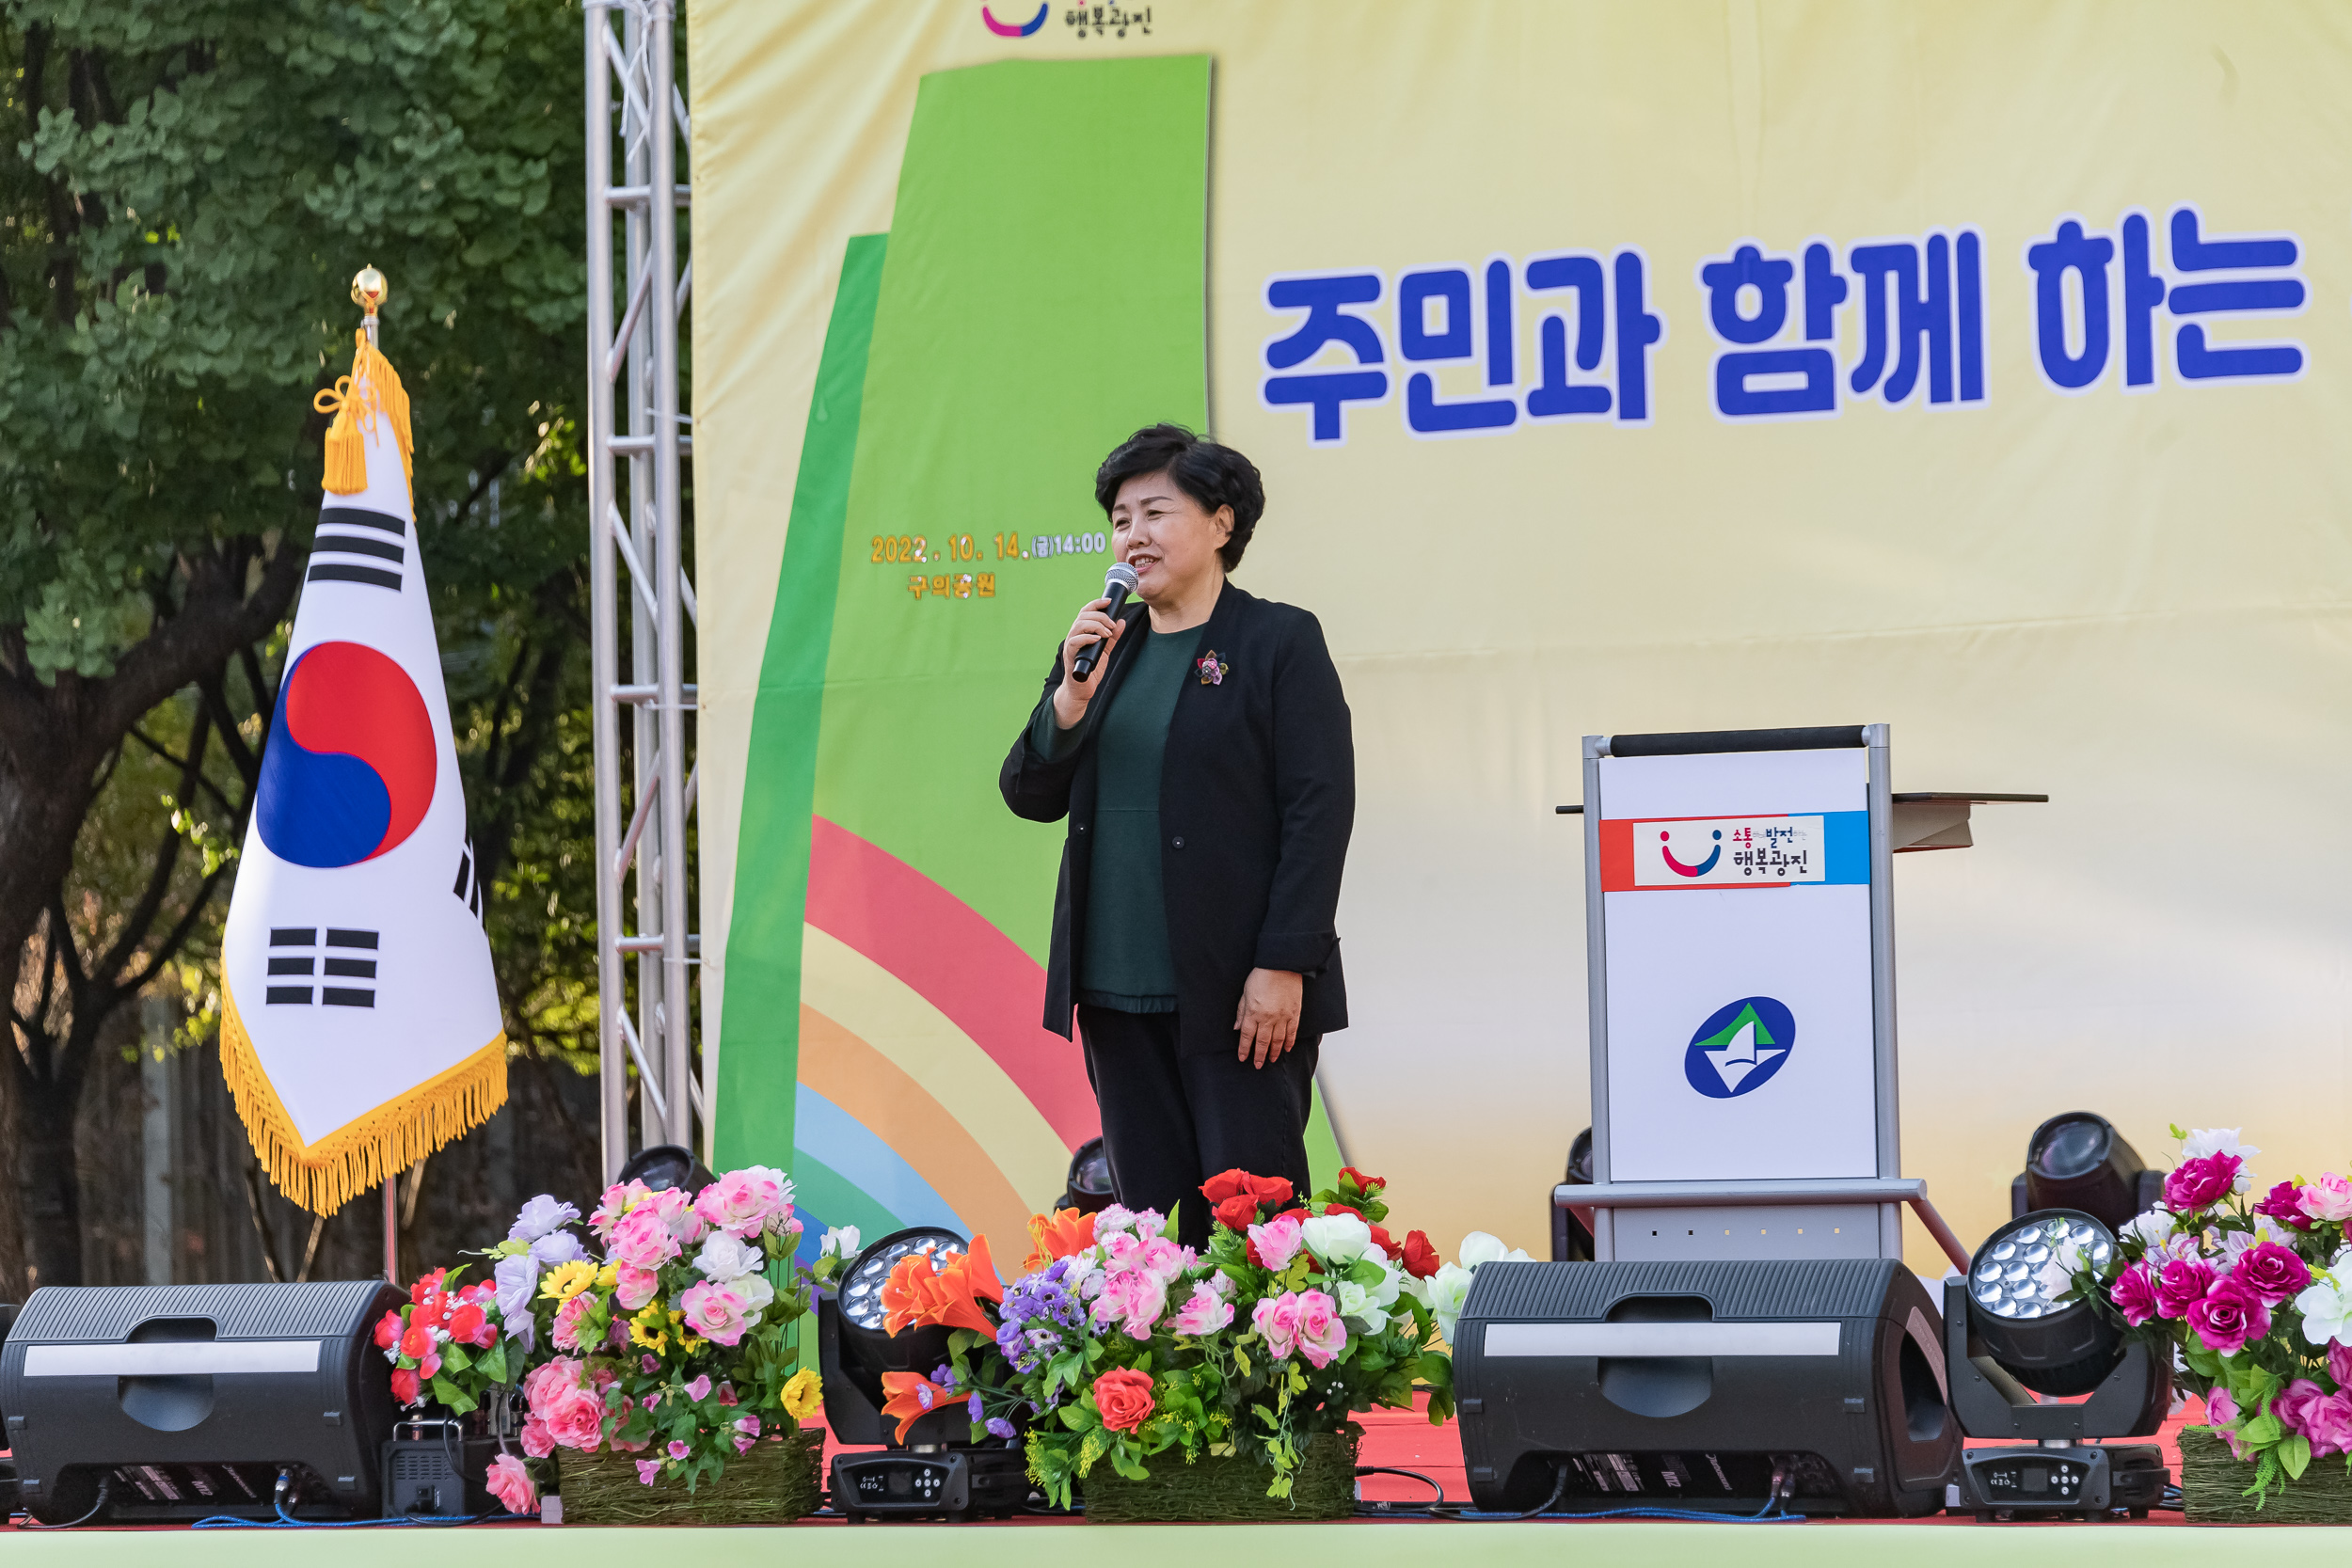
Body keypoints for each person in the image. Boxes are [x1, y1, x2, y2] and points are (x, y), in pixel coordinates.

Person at [999, 423, 1354, 1246]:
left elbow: (1319, 808)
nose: (1133, 535)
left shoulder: (1278, 641)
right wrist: (1067, 703)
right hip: (1117, 988)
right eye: (1121, 519)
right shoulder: (1102, 649)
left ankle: (1270, 1377)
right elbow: (1027, 791)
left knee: (1256, 1223)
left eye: (1155, 512)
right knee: (1151, 1234)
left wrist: (1284, 961)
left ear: (1222, 523)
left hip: (1241, 994)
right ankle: (1166, 1377)